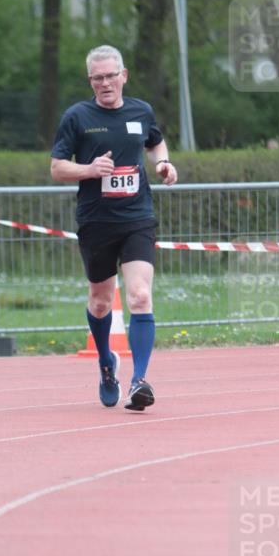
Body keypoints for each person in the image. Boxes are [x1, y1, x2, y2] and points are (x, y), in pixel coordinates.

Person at [50, 44, 177, 411]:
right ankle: (107, 362)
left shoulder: (141, 111)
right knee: (102, 301)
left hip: (137, 217)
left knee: (139, 295)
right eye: (97, 78)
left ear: (124, 76)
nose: (105, 83)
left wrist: (164, 164)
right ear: (90, 80)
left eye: (111, 75)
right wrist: (90, 169)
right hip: (96, 221)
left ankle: (139, 380)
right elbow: (57, 167)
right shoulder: (77, 116)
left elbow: (155, 142)